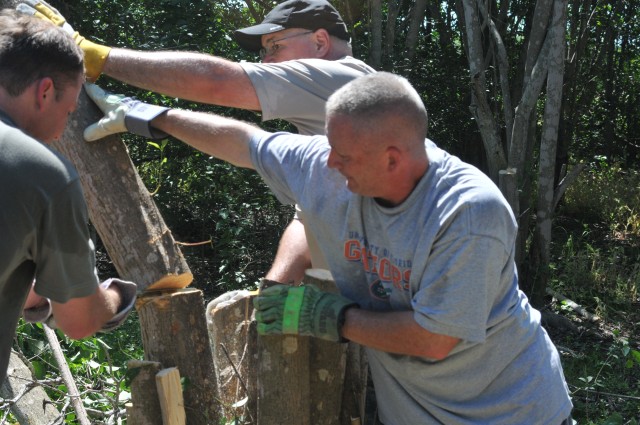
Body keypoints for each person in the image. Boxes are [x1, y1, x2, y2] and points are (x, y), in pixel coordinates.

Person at [82, 71, 573, 424]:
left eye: (345, 156)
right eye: (330, 148)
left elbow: (433, 338)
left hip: (512, 408)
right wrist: (150, 116)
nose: (330, 164)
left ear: (393, 157)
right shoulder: (329, 164)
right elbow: (244, 142)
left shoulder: (468, 214)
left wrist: (327, 317)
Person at [18, 0, 376, 285]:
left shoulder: (347, 81)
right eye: (263, 51)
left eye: (275, 46)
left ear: (320, 42)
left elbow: (220, 82)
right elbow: (306, 216)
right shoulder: (327, 124)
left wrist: (92, 54)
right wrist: (277, 287)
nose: (265, 60)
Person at [0, 10, 136, 385]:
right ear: (45, 91)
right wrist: (114, 298)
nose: (62, 129)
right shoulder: (44, 174)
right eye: (68, 110)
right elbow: (79, 320)